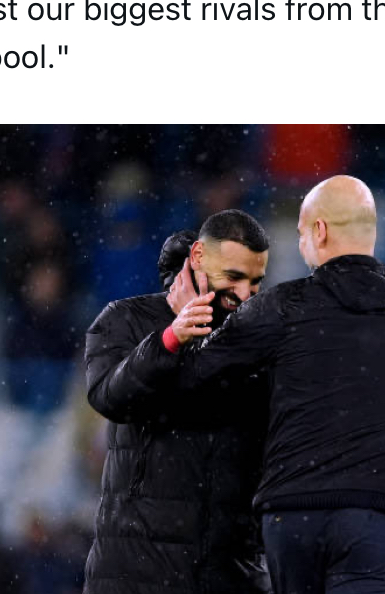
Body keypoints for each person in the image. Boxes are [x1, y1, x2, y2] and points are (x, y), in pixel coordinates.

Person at [161, 175, 385, 594]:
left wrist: (191, 319)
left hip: (293, 513)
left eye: (301, 232)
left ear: (320, 230)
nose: (300, 243)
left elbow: (198, 372)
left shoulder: (281, 306)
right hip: (377, 512)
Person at [83, 210, 272, 594]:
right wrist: (171, 339)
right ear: (199, 257)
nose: (244, 294)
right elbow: (110, 397)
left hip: (229, 571)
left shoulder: (258, 339)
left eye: (255, 282)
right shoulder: (126, 319)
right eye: (234, 277)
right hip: (136, 570)